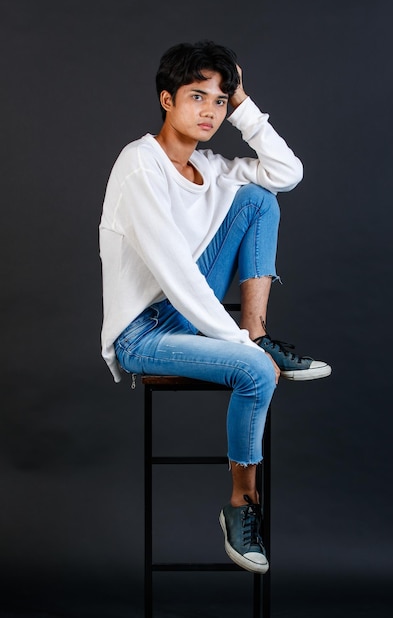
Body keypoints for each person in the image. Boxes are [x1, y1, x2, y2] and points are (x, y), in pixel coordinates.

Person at [99, 40, 331, 574]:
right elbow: (177, 275)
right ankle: (240, 505)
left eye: (220, 101)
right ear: (166, 99)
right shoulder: (140, 166)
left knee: (258, 199)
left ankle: (258, 332)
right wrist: (237, 347)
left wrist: (246, 105)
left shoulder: (210, 166)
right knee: (254, 370)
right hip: (144, 333)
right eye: (197, 96)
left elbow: (286, 172)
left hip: (185, 312)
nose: (210, 111)